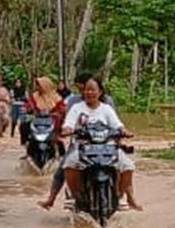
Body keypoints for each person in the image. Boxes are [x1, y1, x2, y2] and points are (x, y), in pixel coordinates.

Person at [39, 75, 142, 211]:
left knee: (128, 166)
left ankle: (119, 196)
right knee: (68, 165)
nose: (89, 92)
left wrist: (124, 131)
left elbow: (117, 124)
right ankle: (76, 197)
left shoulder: (106, 108)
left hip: (107, 147)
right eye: (87, 89)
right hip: (82, 146)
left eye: (93, 90)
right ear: (83, 91)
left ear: (100, 92)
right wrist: (67, 129)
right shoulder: (76, 107)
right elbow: (69, 123)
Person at [20, 76, 65, 147]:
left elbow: (62, 109)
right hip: (37, 118)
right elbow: (29, 105)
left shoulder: (56, 97)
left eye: (39, 85)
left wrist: (59, 113)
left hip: (52, 119)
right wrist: (27, 109)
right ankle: (27, 144)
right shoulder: (34, 96)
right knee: (24, 125)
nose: (38, 87)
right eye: (37, 85)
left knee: (57, 129)